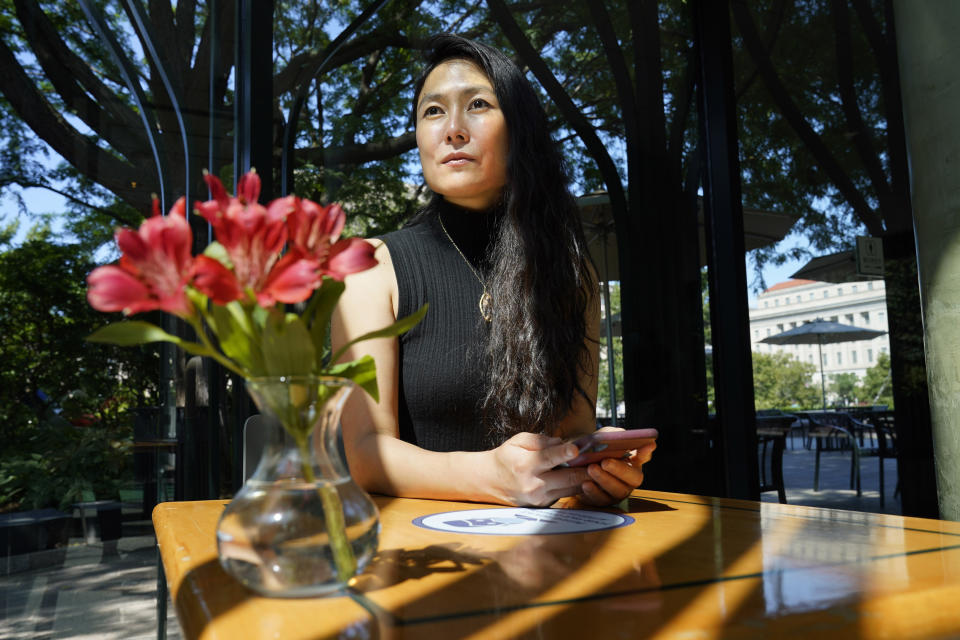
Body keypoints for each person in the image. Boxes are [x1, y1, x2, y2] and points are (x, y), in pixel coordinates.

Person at [331, 34, 655, 507]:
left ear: (520, 131)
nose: (453, 129)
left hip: (545, 549)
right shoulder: (368, 266)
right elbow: (362, 454)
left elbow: (574, 433)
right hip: (419, 554)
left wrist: (595, 474)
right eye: (433, 111)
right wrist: (489, 476)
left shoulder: (571, 276)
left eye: (478, 104)